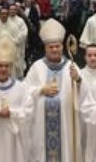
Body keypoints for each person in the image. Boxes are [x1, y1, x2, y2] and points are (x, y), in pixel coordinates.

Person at [25, 19, 82, 162]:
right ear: (45, 48)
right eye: (51, 47)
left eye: (57, 46)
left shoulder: (72, 66)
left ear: (62, 47)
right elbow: (25, 91)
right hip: (41, 124)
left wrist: (79, 80)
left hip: (66, 122)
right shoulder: (36, 67)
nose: (54, 50)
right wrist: (40, 90)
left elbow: (84, 92)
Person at [0, 37, 33, 162]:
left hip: (15, 139)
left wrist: (11, 113)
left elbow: (28, 111)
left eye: (6, 66)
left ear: (11, 67)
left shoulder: (21, 88)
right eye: (0, 66)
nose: (3, 69)